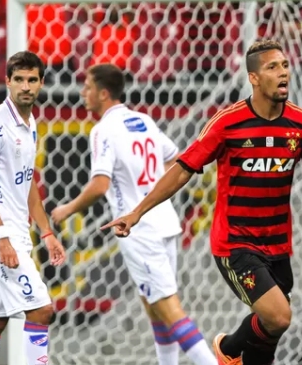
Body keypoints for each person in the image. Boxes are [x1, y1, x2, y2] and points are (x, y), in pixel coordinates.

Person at [100, 39, 302, 365]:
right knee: (279, 317)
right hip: (235, 244)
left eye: (285, 65)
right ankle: (228, 349)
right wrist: (137, 212)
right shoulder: (227, 123)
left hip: (278, 244)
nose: (283, 72)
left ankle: (236, 357)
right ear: (254, 78)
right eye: (273, 67)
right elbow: (183, 169)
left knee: (270, 329)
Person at [50, 63, 217, 365]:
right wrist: (152, 186)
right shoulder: (143, 121)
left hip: (138, 231)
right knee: (154, 309)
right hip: (165, 222)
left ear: (103, 93)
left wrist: (67, 208)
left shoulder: (103, 130)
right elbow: (179, 160)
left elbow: (100, 185)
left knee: (170, 310)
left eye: (87, 87)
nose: (82, 93)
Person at [0, 51, 66, 365]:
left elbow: (28, 186)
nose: (26, 86)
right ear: (8, 82)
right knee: (41, 309)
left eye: (32, 80)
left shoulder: (30, 123)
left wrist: (47, 233)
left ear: (40, 84)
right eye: (19, 80)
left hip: (16, 232)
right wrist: (1, 237)